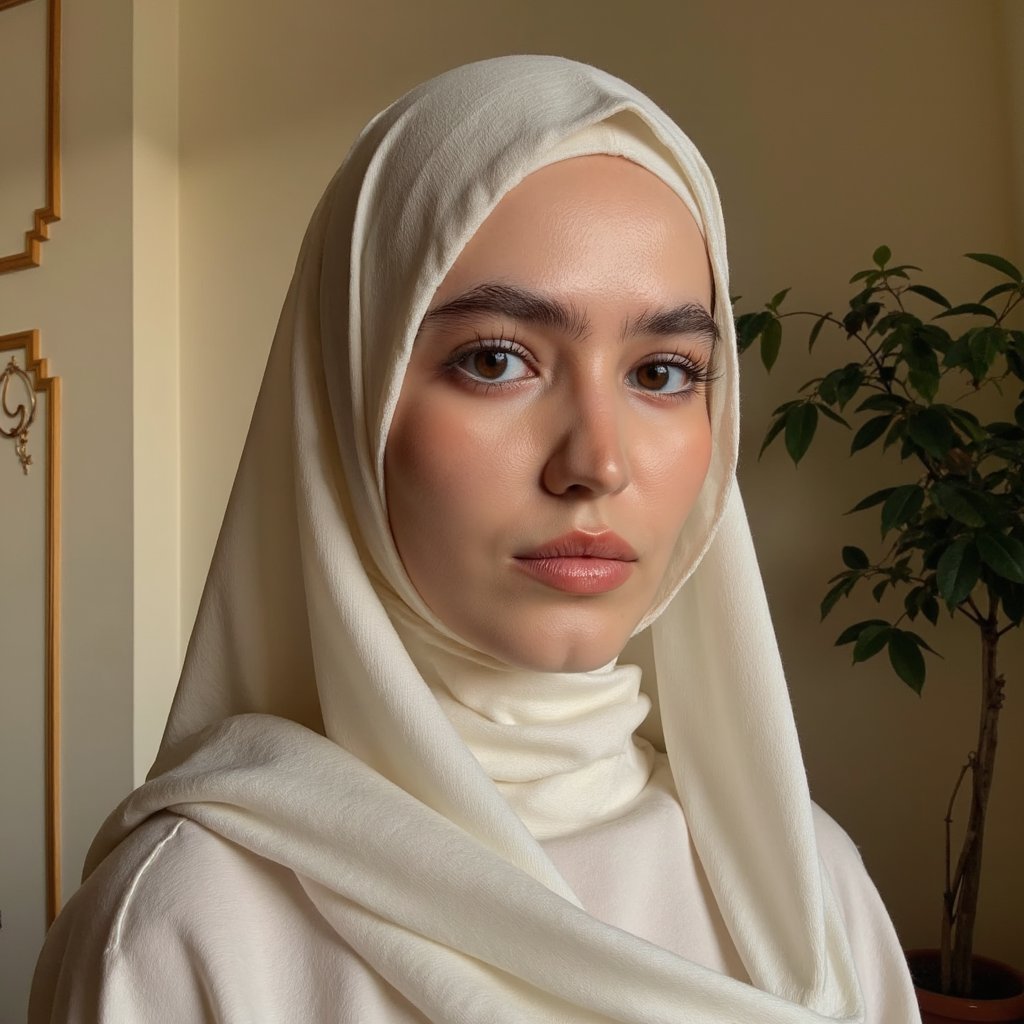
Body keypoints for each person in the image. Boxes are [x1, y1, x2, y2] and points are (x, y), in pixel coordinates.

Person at [30, 55, 921, 1022]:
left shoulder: (817, 890)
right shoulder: (180, 930)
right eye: (498, 360)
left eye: (663, 372)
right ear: (347, 401)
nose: (598, 463)